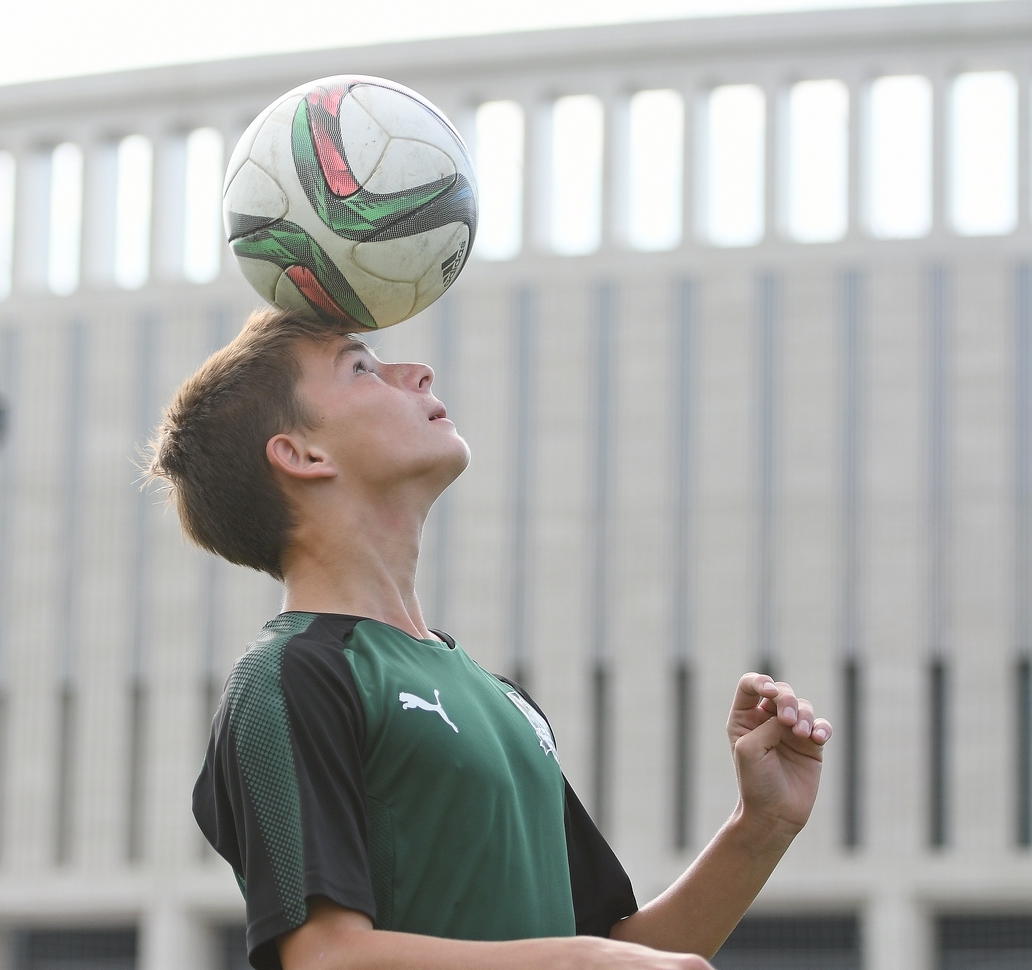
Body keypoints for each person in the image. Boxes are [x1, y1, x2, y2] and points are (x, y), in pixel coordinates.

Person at [147, 308, 833, 970]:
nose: (417, 372)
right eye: (361, 368)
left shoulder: (499, 698)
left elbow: (620, 948)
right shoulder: (288, 677)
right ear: (301, 453)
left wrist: (761, 825)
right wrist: (581, 959)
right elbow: (326, 957)